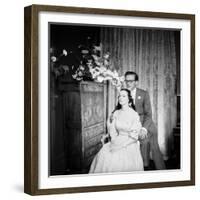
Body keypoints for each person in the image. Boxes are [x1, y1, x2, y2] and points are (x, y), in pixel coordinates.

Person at [89, 89, 144, 173]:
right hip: (117, 140)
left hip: (129, 142)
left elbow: (135, 136)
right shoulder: (116, 113)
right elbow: (113, 130)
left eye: (123, 96)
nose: (120, 98)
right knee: (105, 154)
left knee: (118, 160)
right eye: (119, 96)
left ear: (129, 99)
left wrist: (121, 145)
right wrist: (113, 141)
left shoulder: (134, 114)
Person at [124, 71, 166, 170]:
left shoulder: (143, 94)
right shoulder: (124, 93)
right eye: (126, 81)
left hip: (146, 124)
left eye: (131, 81)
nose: (128, 83)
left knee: (148, 143)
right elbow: (119, 109)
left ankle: (148, 167)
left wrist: (143, 129)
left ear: (136, 82)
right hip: (132, 125)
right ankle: (139, 166)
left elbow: (149, 114)